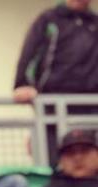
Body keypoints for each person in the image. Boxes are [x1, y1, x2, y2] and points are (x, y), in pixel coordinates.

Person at [13, 0, 98, 166]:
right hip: (52, 101)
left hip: (90, 104)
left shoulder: (95, 23)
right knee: (51, 160)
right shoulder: (49, 19)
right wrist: (21, 83)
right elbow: (31, 51)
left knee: (88, 163)